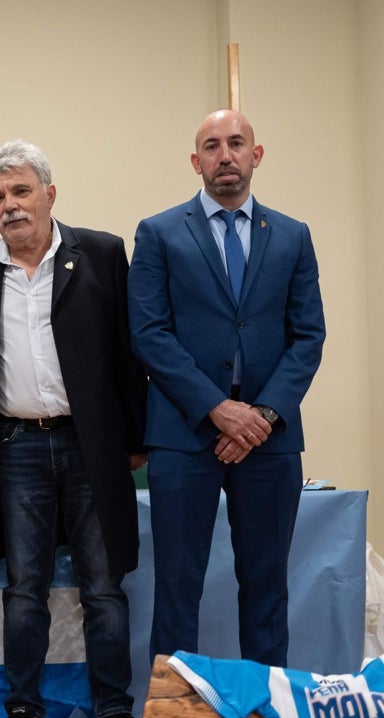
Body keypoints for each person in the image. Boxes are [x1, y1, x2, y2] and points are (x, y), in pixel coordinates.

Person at [0, 140, 147, 718]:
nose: (10, 206)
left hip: (93, 447)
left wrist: (136, 441)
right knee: (24, 591)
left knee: (103, 589)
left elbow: (129, 353)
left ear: (50, 194)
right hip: (15, 449)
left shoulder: (103, 253)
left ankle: (115, 715)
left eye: (21, 191)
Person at [127, 110, 325, 668]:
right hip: (184, 436)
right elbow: (148, 333)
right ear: (197, 162)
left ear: (255, 155)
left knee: (266, 592)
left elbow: (308, 336)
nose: (225, 156)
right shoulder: (160, 232)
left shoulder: (292, 236)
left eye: (236, 143)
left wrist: (258, 416)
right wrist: (218, 409)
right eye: (211, 147)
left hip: (270, 439)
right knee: (177, 592)